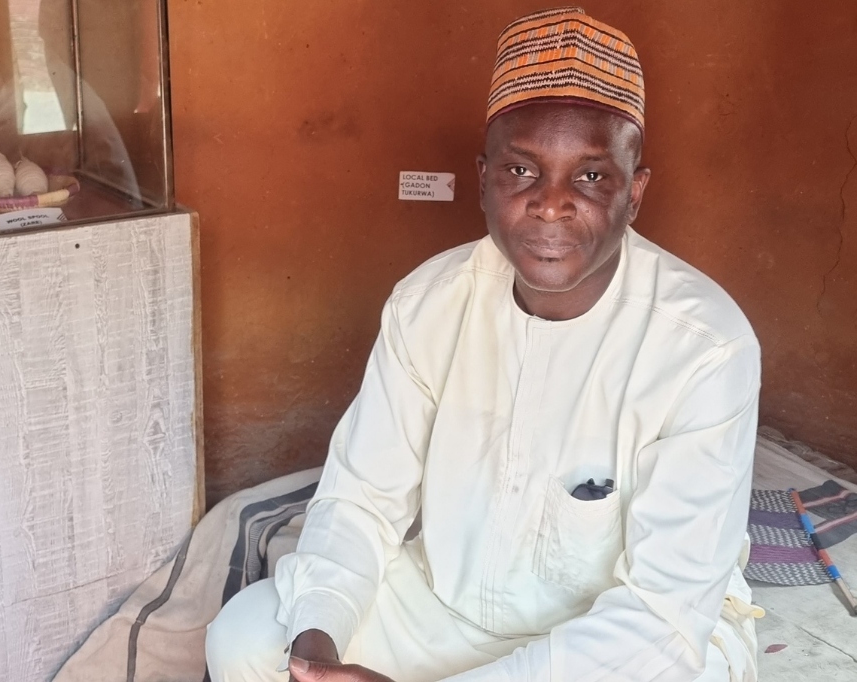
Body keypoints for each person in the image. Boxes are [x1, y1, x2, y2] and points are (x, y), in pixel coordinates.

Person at [205, 6, 762, 682]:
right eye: (522, 172)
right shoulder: (427, 304)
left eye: (591, 177)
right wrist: (319, 646)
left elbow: (659, 619)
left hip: (618, 642)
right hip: (446, 610)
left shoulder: (705, 345)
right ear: (484, 179)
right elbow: (361, 499)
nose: (551, 204)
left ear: (635, 191)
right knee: (243, 641)